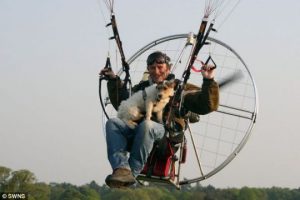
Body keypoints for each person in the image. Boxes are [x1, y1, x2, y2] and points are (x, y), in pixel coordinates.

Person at [99, 51, 219, 188]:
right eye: (152, 68)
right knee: (113, 123)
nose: (156, 71)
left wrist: (209, 80)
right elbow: (124, 103)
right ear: (148, 70)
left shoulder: (180, 89)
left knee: (147, 125)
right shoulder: (142, 88)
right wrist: (113, 80)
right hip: (139, 133)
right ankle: (121, 169)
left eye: (160, 67)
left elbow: (206, 105)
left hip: (165, 138)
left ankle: (132, 172)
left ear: (168, 68)